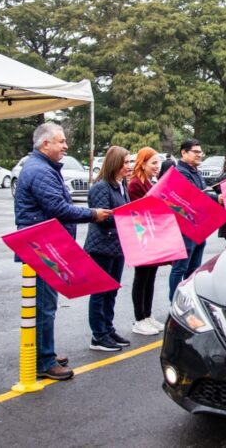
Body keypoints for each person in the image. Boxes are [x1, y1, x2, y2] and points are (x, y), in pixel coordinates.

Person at [14, 122, 112, 380]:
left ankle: (44, 350)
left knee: (46, 304)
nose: (65, 146)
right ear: (45, 144)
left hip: (47, 243)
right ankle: (43, 360)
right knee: (44, 305)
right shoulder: (40, 171)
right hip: (41, 246)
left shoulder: (44, 168)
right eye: (61, 142)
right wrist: (93, 214)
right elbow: (59, 208)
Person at [84, 146, 132, 353]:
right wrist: (127, 215)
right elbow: (102, 217)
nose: (129, 166)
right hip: (102, 247)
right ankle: (98, 334)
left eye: (130, 162)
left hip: (117, 246)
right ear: (115, 164)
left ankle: (108, 328)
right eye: (126, 162)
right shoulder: (101, 187)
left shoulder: (122, 186)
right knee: (99, 292)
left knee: (111, 290)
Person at [169, 138, 218, 301]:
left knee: (194, 268)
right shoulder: (181, 172)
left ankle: (188, 301)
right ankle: (174, 301)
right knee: (180, 268)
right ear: (183, 152)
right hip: (185, 227)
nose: (199, 155)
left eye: (200, 152)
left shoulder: (195, 171)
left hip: (198, 226)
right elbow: (194, 195)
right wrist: (216, 198)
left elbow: (202, 192)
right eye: (196, 152)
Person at [128, 147, 165, 336]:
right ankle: (139, 318)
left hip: (153, 236)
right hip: (142, 237)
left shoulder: (151, 183)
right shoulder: (135, 184)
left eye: (158, 163)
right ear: (142, 164)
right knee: (141, 278)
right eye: (153, 163)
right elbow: (139, 210)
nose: (157, 167)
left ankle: (147, 314)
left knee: (150, 277)